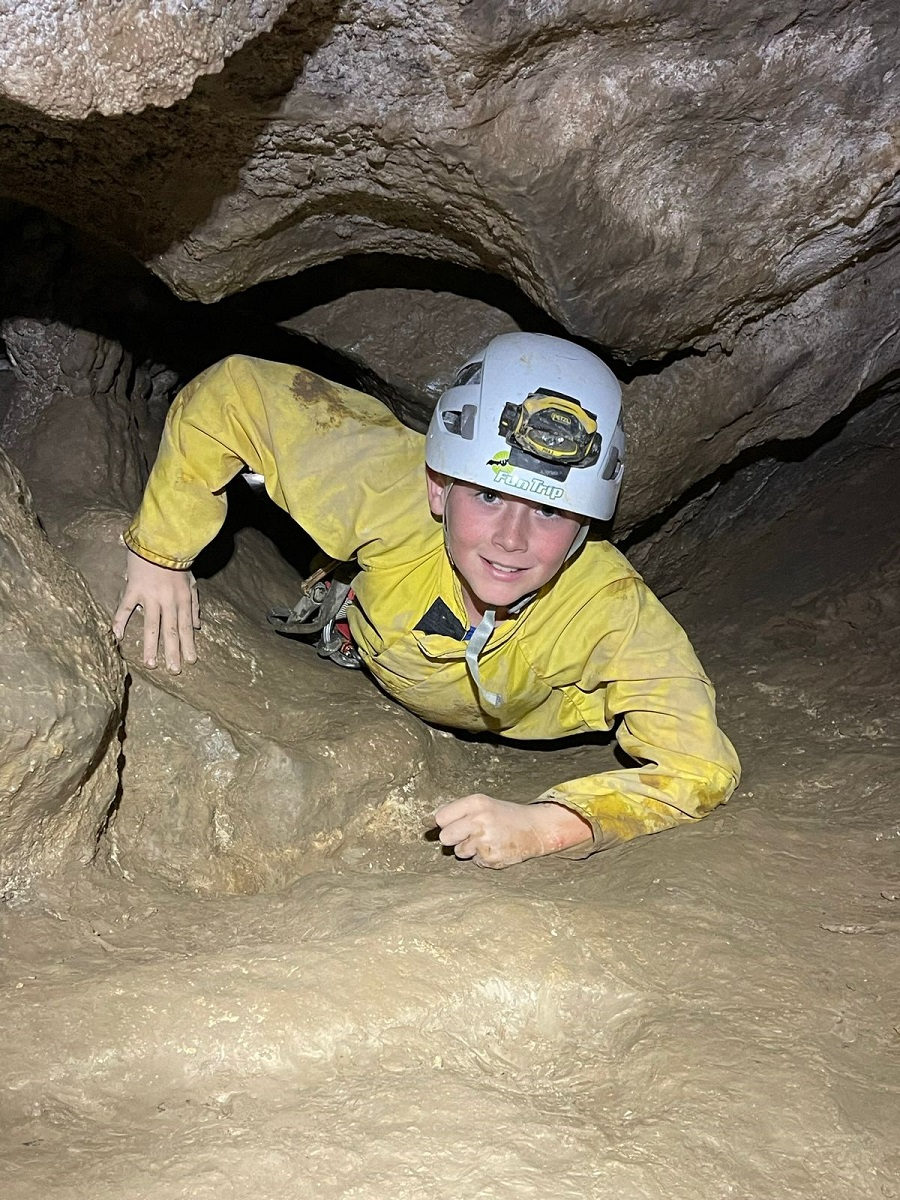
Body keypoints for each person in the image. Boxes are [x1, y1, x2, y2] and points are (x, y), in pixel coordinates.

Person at [113, 333, 740, 868]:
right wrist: (162, 552)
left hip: (517, 714)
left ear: (585, 526)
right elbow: (236, 393)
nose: (512, 539)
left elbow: (699, 766)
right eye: (488, 496)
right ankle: (338, 602)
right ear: (439, 488)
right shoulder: (393, 488)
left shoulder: (608, 609)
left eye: (549, 511)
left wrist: (546, 825)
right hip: (375, 612)